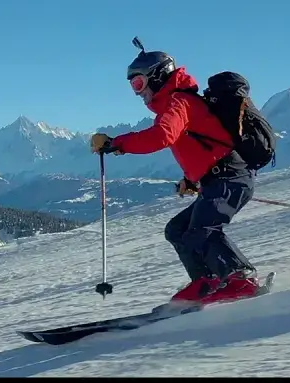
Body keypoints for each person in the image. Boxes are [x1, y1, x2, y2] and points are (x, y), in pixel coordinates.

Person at [89, 43, 264, 308]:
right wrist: (193, 180)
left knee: (202, 230)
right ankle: (205, 282)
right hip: (219, 178)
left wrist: (116, 143)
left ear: (158, 76)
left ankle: (241, 280)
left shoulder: (179, 101)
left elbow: (162, 136)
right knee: (178, 229)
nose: (138, 92)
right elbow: (200, 146)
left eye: (139, 83)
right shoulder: (177, 104)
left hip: (230, 177)